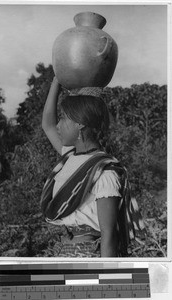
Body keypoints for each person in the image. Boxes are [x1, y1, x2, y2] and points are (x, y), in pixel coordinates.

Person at [41, 77, 145, 257]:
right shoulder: (70, 157)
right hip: (62, 249)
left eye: (64, 118)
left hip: (87, 253)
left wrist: (107, 275)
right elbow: (48, 125)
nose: (59, 125)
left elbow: (109, 234)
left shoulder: (104, 172)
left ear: (80, 124)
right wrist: (57, 80)